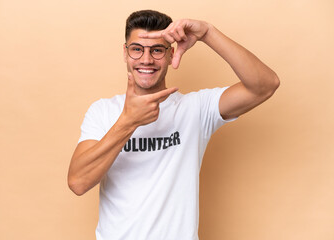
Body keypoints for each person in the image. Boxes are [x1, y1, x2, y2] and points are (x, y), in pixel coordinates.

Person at [67, 9, 279, 240]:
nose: (146, 59)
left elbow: (265, 85)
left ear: (170, 55)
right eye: (137, 49)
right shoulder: (103, 111)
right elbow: (78, 182)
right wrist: (128, 122)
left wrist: (208, 33)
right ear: (125, 54)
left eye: (157, 50)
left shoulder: (195, 109)